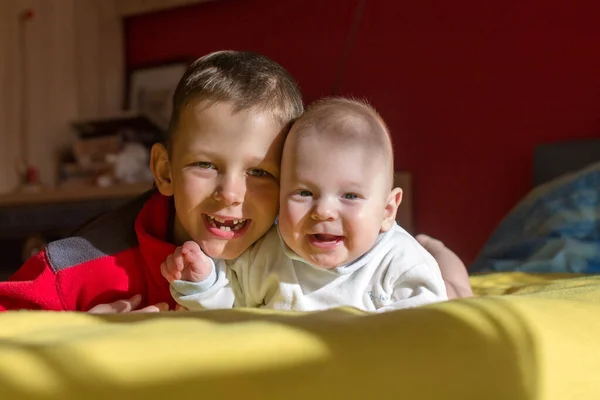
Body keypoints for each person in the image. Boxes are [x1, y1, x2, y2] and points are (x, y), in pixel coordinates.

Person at [0, 50, 304, 311]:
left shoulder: (311, 263)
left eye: (260, 172)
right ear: (164, 171)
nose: (230, 194)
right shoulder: (77, 267)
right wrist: (73, 337)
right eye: (205, 165)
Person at [163, 98, 453, 312]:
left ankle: (438, 251)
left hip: (442, 286)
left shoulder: (400, 264)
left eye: (349, 196)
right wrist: (202, 283)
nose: (323, 211)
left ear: (388, 210)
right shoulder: (264, 256)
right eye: (303, 193)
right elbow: (231, 309)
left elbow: (425, 330)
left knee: (456, 288)